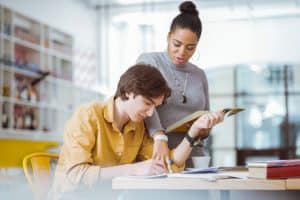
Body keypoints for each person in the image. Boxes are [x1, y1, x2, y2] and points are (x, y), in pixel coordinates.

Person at [50, 64, 223, 199]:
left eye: (154, 107)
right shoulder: (87, 116)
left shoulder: (138, 126)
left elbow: (168, 164)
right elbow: (75, 174)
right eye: (147, 104)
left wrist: (193, 133)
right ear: (127, 92)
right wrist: (133, 169)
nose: (150, 113)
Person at [136, 1, 210, 167]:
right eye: (177, 44)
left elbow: (205, 113)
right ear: (168, 37)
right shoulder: (149, 61)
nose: (182, 52)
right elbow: (144, 104)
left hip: (194, 157)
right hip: (159, 153)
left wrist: (205, 129)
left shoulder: (199, 75)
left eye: (191, 47)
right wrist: (159, 135)